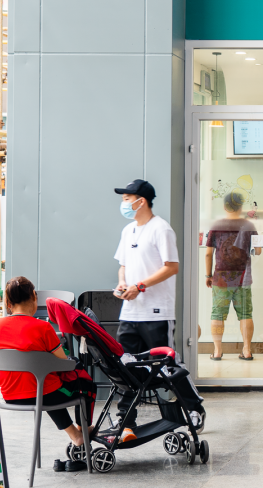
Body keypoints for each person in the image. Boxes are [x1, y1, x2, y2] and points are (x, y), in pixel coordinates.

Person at [0, 277, 96, 468]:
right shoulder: (43, 327)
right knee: (86, 387)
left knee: (46, 386)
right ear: (34, 297)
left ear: (8, 302)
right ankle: (84, 433)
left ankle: (75, 435)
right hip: (44, 394)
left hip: (10, 396)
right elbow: (64, 364)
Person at [113, 179, 179, 440]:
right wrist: (122, 283)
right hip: (130, 313)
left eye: (127, 199)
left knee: (167, 369)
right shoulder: (128, 230)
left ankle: (190, 411)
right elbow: (123, 265)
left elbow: (171, 267)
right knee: (125, 368)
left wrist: (140, 286)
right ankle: (126, 422)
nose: (123, 203)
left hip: (157, 313)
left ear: (141, 201)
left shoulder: (161, 229)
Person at [205, 190, 259, 361]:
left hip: (221, 277)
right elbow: (257, 250)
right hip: (243, 277)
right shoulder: (249, 226)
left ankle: (217, 351)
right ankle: (247, 350)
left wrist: (208, 275)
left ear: (224, 206)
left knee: (217, 314)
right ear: (241, 206)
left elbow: (208, 253)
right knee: (245, 314)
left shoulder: (216, 225)